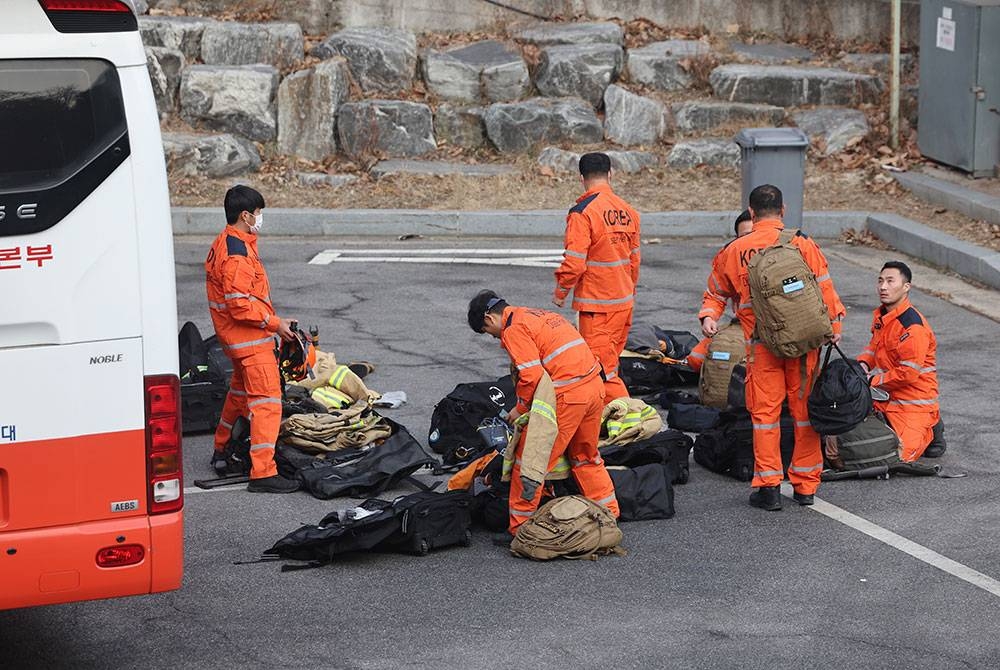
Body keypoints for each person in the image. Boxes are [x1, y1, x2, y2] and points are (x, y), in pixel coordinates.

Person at [700, 185, 846, 510]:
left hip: (762, 345)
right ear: (783, 210)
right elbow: (825, 289)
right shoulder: (801, 242)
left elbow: (716, 291)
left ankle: (768, 488)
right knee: (805, 413)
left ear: (751, 213)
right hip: (804, 342)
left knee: (765, 416)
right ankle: (806, 486)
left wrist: (709, 316)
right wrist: (833, 329)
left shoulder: (735, 250)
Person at [468, 290, 619, 540]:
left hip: (568, 395)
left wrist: (521, 409)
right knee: (585, 456)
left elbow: (532, 375)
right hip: (593, 387)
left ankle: (521, 528)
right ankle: (609, 513)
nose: (495, 338)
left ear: (489, 319)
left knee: (530, 463)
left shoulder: (513, 329)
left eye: (488, 333)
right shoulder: (537, 315)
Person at [205, 185, 299, 493]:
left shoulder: (228, 242)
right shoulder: (237, 255)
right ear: (246, 215)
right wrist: (276, 324)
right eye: (258, 213)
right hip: (250, 343)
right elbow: (240, 304)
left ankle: (222, 448)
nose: (260, 218)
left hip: (237, 342)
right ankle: (263, 473)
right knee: (267, 403)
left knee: (240, 397)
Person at [552, 152, 640, 401]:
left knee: (602, 371)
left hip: (597, 306)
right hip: (623, 303)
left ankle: (626, 420)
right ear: (610, 174)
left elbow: (575, 263)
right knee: (611, 362)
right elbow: (634, 261)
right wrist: (629, 291)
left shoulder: (583, 213)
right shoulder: (629, 212)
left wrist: (561, 292)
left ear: (581, 178)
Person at [857, 261, 940, 462]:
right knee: (852, 438)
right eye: (880, 281)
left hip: (912, 402)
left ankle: (933, 426)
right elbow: (874, 346)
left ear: (906, 287)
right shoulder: (882, 315)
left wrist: (871, 381)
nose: (883, 287)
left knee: (899, 457)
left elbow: (908, 374)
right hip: (886, 396)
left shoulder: (912, 327)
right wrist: (861, 366)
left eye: (890, 281)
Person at [687, 209, 754, 373]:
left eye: (754, 234)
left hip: (776, 330)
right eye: (744, 236)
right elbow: (715, 295)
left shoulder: (784, 256)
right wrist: (709, 318)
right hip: (743, 328)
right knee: (696, 359)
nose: (750, 241)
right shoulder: (730, 257)